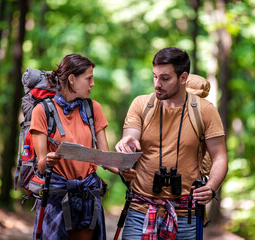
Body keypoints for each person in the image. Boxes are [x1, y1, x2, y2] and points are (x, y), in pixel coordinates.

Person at [115, 47, 228, 240]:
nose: (157, 84)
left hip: (187, 214)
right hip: (140, 211)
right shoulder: (142, 104)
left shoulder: (205, 111)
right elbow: (130, 138)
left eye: (165, 78)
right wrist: (128, 143)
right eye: (155, 76)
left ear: (183, 78)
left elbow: (220, 156)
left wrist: (211, 187)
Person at [30, 53, 130, 240]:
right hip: (56, 196)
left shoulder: (94, 109)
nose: (93, 84)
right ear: (72, 79)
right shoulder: (42, 111)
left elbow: (104, 158)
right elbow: (41, 164)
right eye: (89, 78)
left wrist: (124, 170)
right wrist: (49, 160)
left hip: (88, 194)